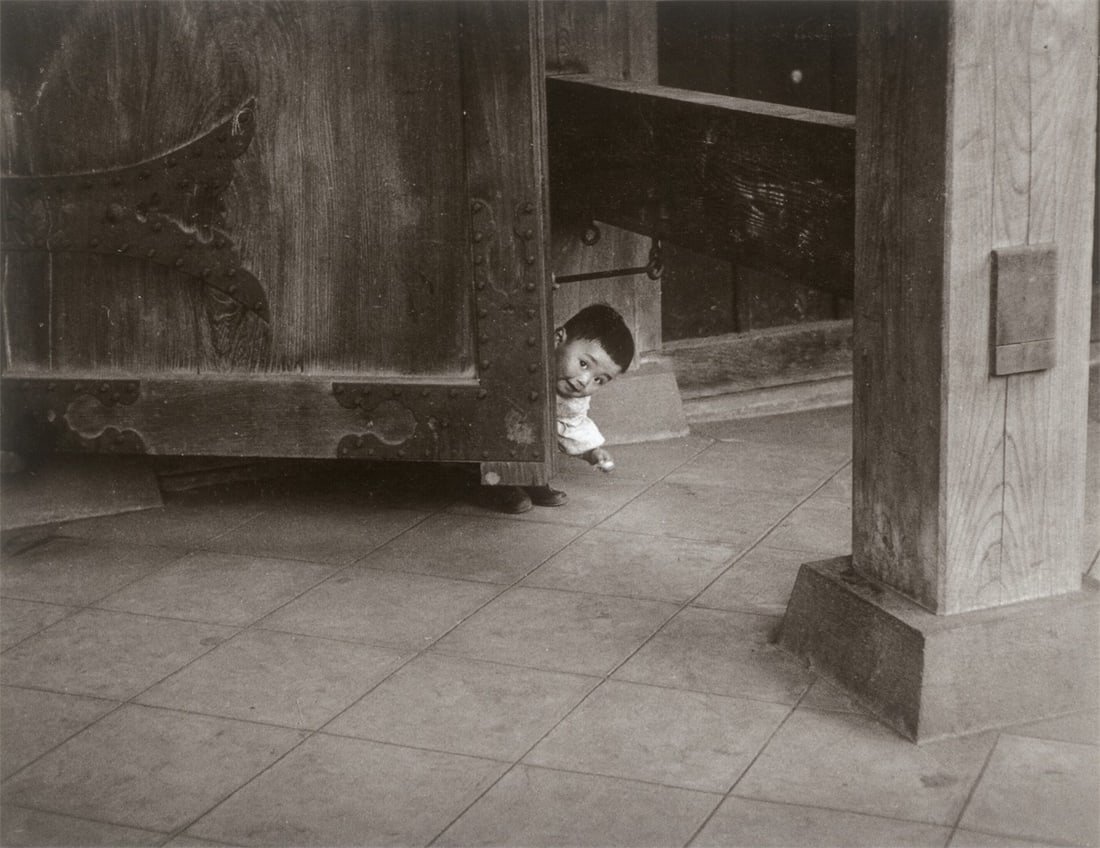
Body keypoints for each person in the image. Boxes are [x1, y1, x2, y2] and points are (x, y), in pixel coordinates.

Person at [489, 303, 635, 514]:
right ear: (558, 340)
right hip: (495, 436)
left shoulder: (572, 397)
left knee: (538, 438)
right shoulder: (526, 359)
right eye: (584, 364)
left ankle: (533, 479)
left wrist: (591, 451)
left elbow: (572, 424)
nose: (585, 381)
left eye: (599, 379)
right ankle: (498, 484)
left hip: (526, 442)